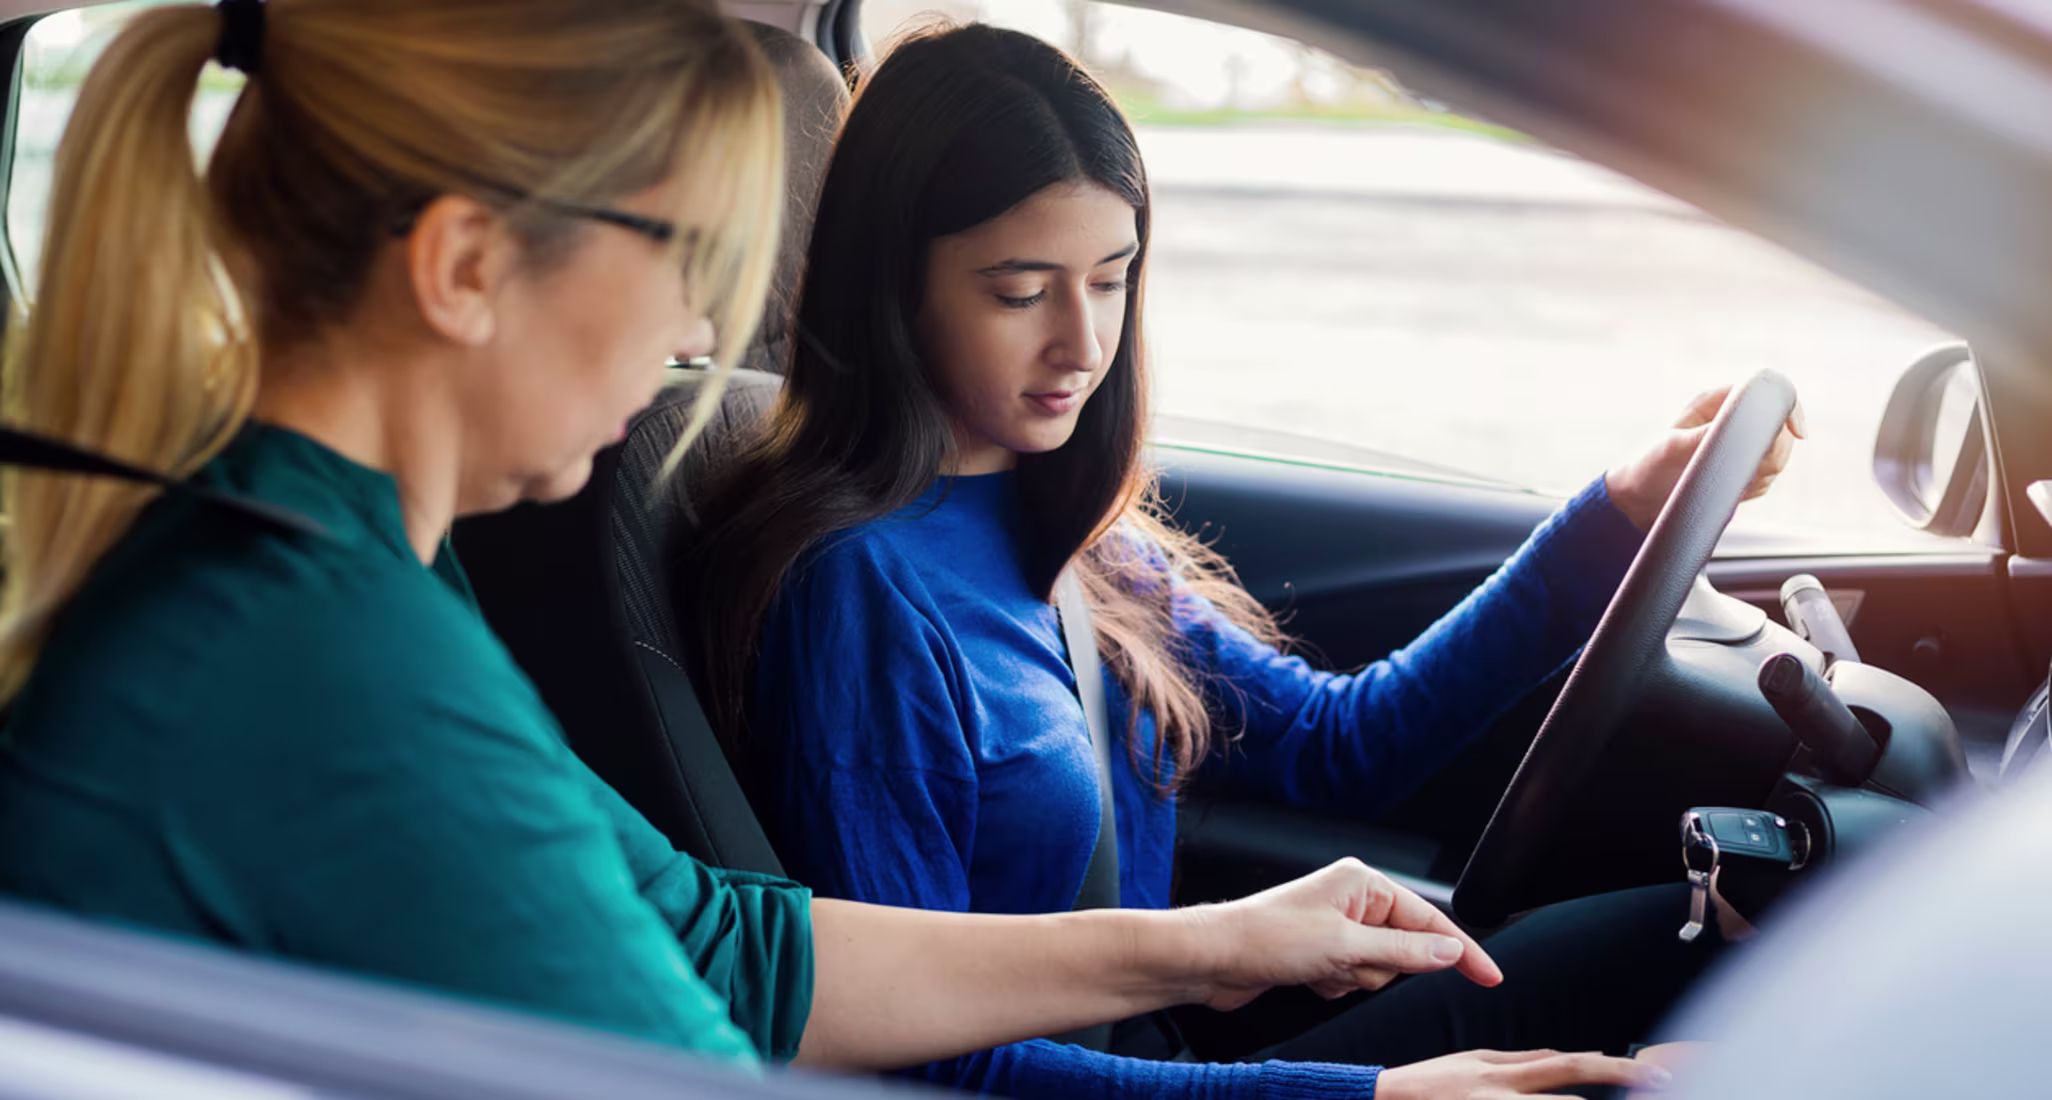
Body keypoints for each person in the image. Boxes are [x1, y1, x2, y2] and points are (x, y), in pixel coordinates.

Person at [0, 0, 1541, 1080]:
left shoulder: (353, 574)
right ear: (467, 267)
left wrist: (1209, 947)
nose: (701, 330)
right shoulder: (325, 659)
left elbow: (726, 949)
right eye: (692, 257)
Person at [686, 22, 1803, 1099]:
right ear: (893, 287)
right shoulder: (859, 596)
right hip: (1090, 1077)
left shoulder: (1068, 522)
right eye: (1020, 293)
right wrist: (1365, 1094)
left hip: (1162, 1054)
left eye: (1112, 278)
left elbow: (1340, 744)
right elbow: (914, 1069)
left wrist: (1622, 511)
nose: (1083, 343)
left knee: (1699, 937)